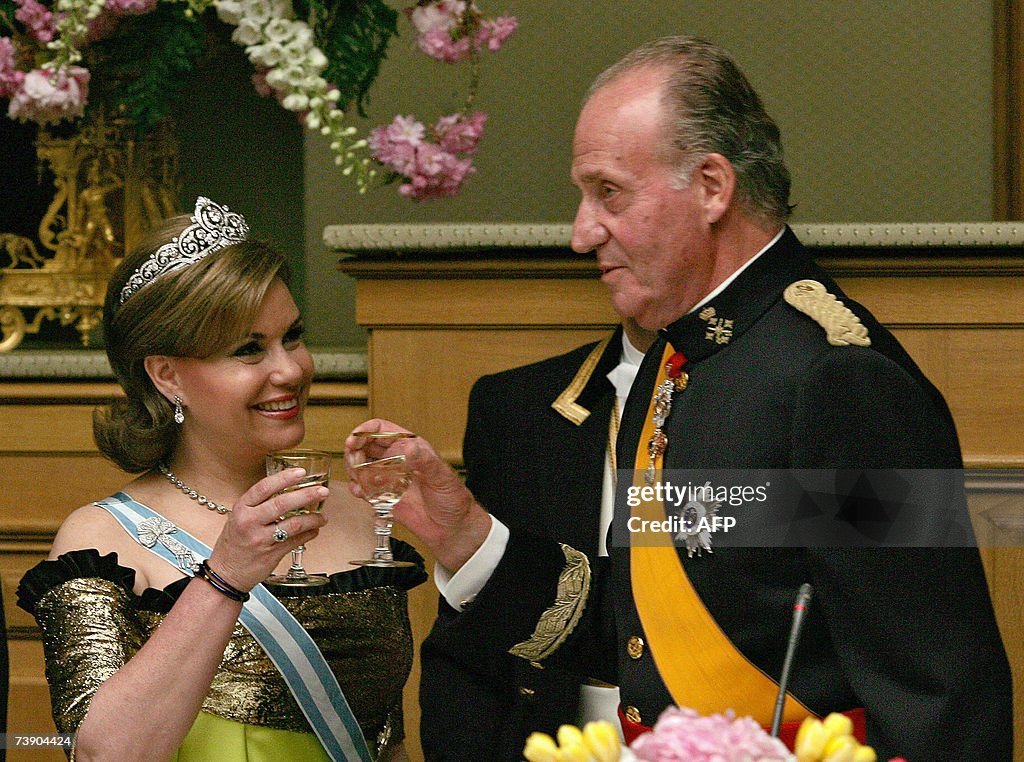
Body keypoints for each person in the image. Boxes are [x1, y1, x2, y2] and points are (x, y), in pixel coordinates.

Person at [349, 36, 1013, 761]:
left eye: (609, 192)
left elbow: (938, 698)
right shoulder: (677, 361)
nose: (580, 233)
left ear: (712, 187)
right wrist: (468, 538)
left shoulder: (838, 381)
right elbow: (645, 631)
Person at [17, 196, 425, 762]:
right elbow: (103, 755)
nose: (290, 370)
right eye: (248, 350)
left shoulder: (354, 512)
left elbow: (387, 739)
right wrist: (226, 574)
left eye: (293, 336)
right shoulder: (103, 539)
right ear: (167, 375)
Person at [419, 319, 654, 760]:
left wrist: (483, 552)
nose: (585, 244)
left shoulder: (804, 386)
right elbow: (470, 659)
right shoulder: (516, 406)